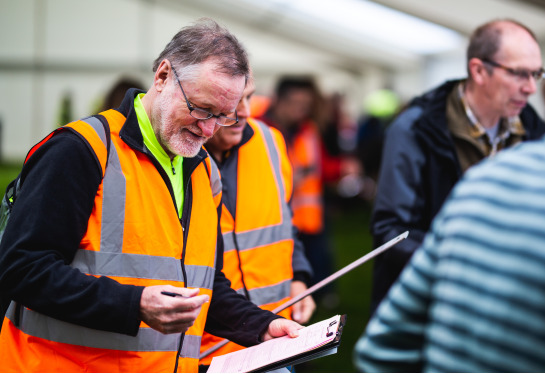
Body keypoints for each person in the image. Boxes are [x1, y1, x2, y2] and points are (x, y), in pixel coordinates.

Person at [0, 19, 301, 373]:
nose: (207, 129)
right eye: (202, 109)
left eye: (222, 117)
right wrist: (135, 304)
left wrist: (259, 326)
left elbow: (203, 284)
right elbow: (21, 267)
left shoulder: (203, 170)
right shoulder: (81, 150)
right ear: (162, 76)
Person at [369, 18, 545, 313]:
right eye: (519, 74)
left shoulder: (532, 128)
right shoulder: (415, 129)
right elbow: (391, 232)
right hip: (434, 307)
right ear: (478, 70)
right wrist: (467, 265)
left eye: (536, 74)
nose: (531, 88)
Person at [354, 131, 545, 372]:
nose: (529, 90)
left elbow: (381, 350)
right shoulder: (412, 132)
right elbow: (388, 224)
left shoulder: (483, 177)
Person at [199, 72, 316, 368]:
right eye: (234, 100)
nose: (245, 111)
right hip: (207, 349)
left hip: (277, 334)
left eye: (249, 97)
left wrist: (299, 279)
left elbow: (285, 223)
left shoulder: (271, 141)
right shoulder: (179, 153)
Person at [258, 76, 336, 304]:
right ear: (278, 101)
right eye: (296, 103)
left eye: (306, 105)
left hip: (308, 216)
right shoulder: (259, 129)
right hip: (274, 215)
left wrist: (341, 168)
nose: (301, 110)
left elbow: (322, 165)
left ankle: (319, 294)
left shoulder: (308, 129)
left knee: (314, 260)